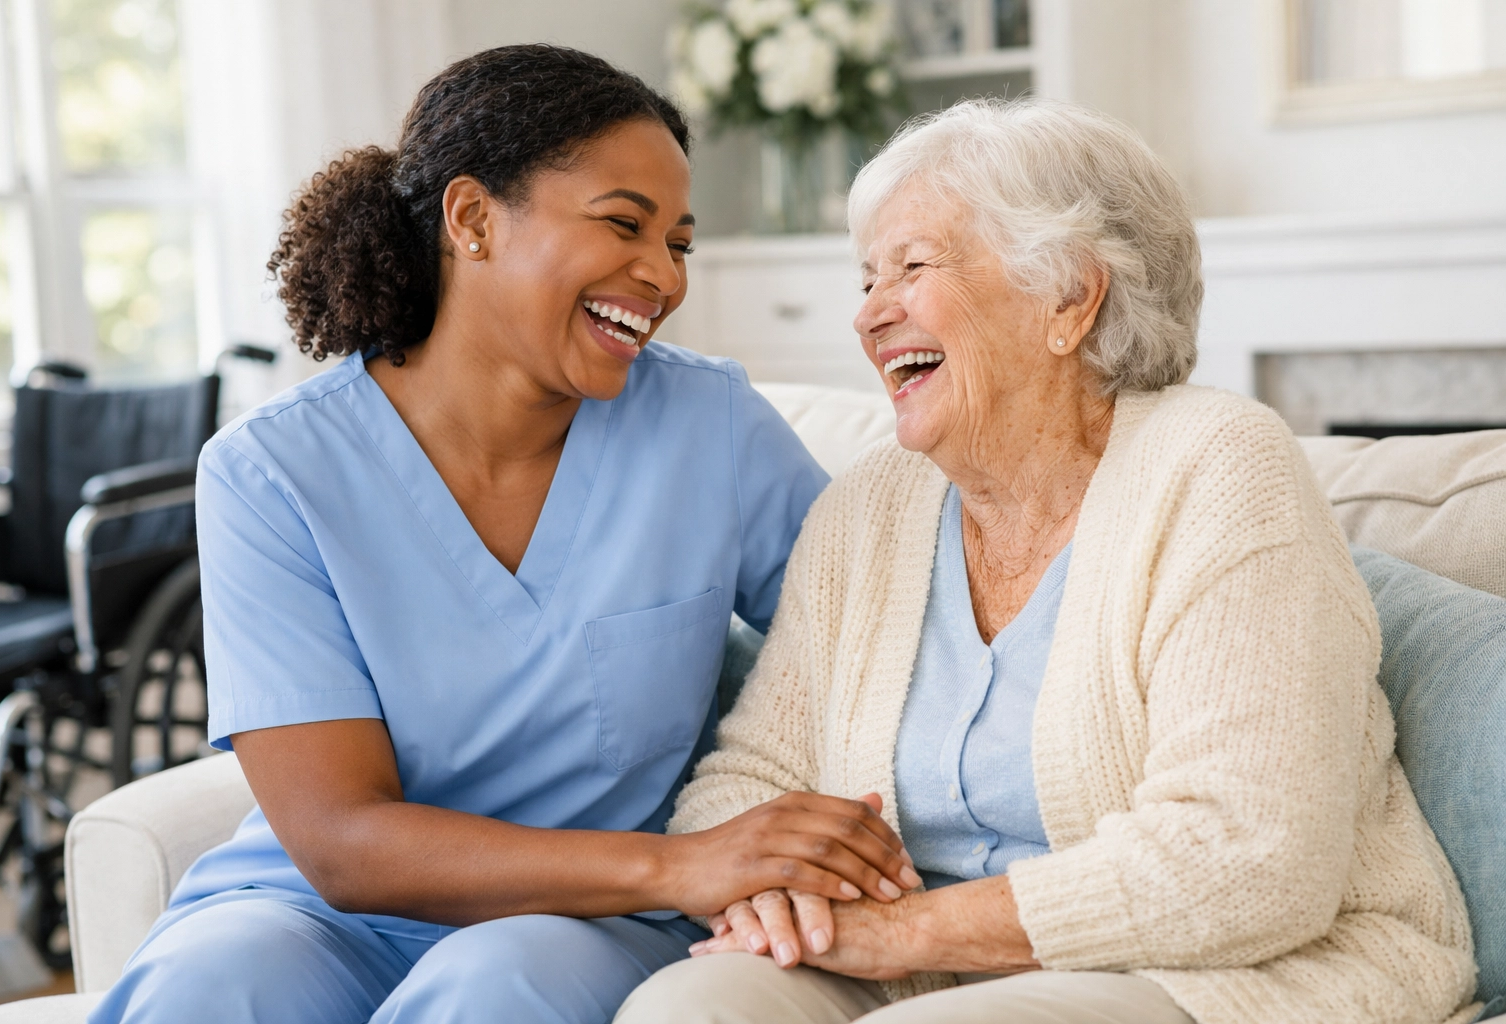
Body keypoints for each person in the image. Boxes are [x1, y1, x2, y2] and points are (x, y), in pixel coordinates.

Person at [90, 45, 924, 1024]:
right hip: (331, 913)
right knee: (208, 985)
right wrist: (684, 861)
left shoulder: (713, 428)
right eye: (624, 224)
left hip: (593, 919)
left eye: (680, 245)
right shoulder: (271, 472)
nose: (662, 276)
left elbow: (883, 636)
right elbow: (342, 840)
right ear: (473, 219)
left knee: (495, 987)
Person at [616, 98, 1479, 1024]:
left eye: (912, 267)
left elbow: (1249, 858)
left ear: (1069, 297)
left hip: (1220, 969)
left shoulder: (1219, 467)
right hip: (917, 970)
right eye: (866, 280)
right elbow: (747, 780)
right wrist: (771, 895)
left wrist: (907, 931)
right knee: (685, 1009)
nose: (868, 315)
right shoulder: (869, 507)